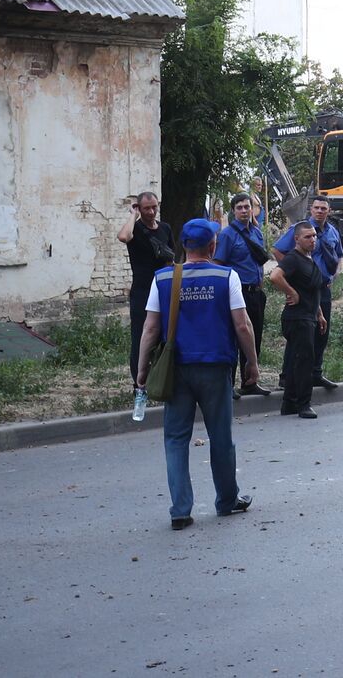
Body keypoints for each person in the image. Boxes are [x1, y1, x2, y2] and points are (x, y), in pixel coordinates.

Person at [136, 219, 257, 530]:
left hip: (177, 370)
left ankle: (180, 510)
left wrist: (142, 370)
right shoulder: (225, 276)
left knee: (176, 439)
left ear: (183, 247)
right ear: (213, 246)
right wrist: (252, 363)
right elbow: (242, 325)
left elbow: (150, 328)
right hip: (216, 368)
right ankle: (227, 500)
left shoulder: (163, 278)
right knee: (221, 438)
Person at [272, 196, 343, 391]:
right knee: (300, 335)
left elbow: (339, 255)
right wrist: (293, 276)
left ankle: (315, 373)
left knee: (321, 331)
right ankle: (287, 377)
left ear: (329, 211)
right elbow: (278, 250)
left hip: (323, 288)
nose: (320, 211)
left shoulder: (332, 231)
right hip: (304, 288)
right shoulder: (301, 229)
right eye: (317, 208)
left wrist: (334, 275)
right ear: (311, 209)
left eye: (324, 208)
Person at [214, 193, 272, 398]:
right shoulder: (227, 235)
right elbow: (219, 264)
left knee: (253, 338)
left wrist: (261, 287)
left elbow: (259, 264)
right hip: (236, 294)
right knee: (233, 339)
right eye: (239, 207)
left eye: (247, 207)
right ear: (233, 211)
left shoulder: (256, 232)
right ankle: (227, 385)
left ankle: (249, 382)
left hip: (255, 293)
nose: (244, 210)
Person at [269, 222, 328, 419]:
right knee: (304, 361)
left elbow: (311, 290)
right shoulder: (293, 258)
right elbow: (275, 276)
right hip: (297, 318)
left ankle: (289, 403)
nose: (312, 240)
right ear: (296, 239)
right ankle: (304, 404)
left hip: (309, 316)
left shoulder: (308, 259)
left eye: (314, 236)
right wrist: (291, 292)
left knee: (298, 359)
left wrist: (319, 313)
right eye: (307, 237)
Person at [118, 191, 174, 389]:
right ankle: (139, 384)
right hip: (142, 291)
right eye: (146, 208)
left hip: (163, 289)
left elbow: (171, 260)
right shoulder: (136, 229)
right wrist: (132, 215)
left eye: (154, 207)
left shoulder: (165, 228)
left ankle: (159, 379)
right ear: (139, 208)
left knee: (164, 336)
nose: (151, 212)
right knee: (141, 337)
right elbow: (124, 237)